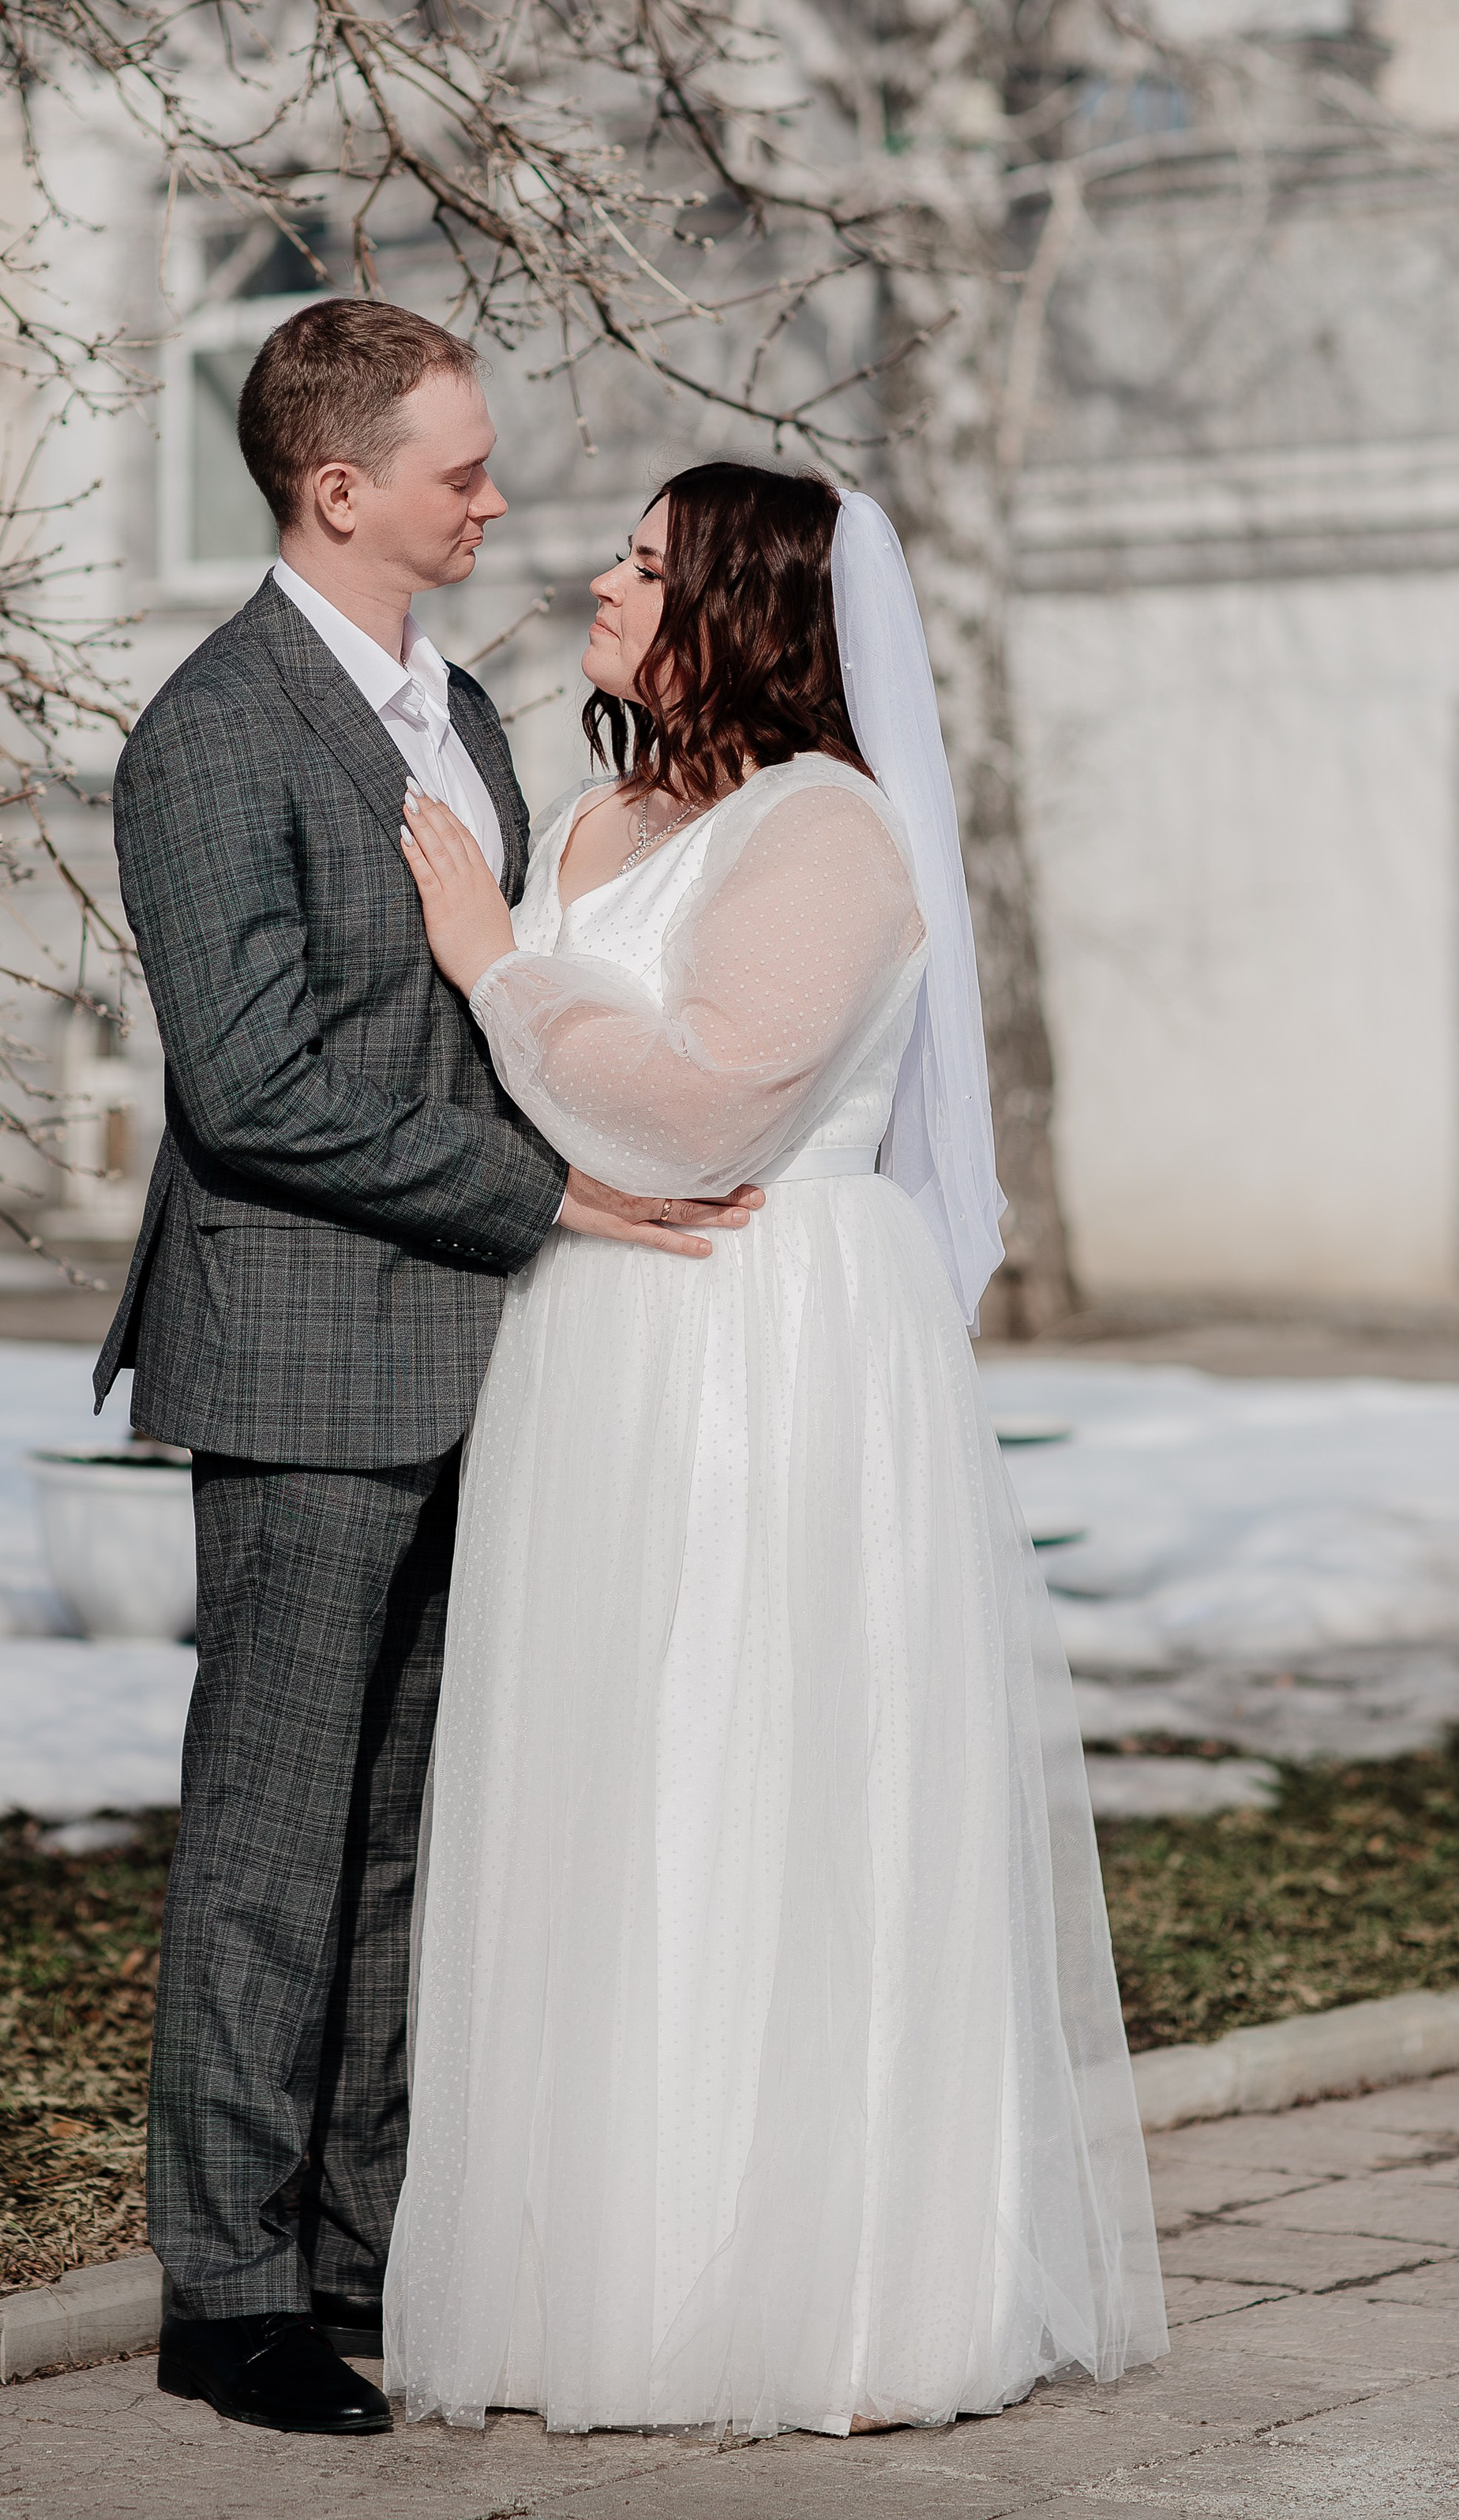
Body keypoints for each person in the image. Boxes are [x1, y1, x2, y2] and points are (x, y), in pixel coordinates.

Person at [386, 463, 1167, 2436]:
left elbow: (702, 1107)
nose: (596, 574)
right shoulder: (597, 817)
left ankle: (808, 2292)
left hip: (767, 1345)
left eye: (645, 563)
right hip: (597, 1353)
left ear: (737, 606)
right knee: (601, 1783)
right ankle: (604, 2281)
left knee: (748, 1760)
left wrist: (490, 960)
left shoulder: (826, 833)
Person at [95, 302, 756, 2438]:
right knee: (278, 1838)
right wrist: (552, 1197)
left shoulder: (463, 705)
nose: (494, 498)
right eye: (460, 471)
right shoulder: (213, 733)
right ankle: (230, 2292)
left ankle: (368, 2245)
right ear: (339, 488)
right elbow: (263, 1085)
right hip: (302, 1354)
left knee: (410, 1838)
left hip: (487, 1363)